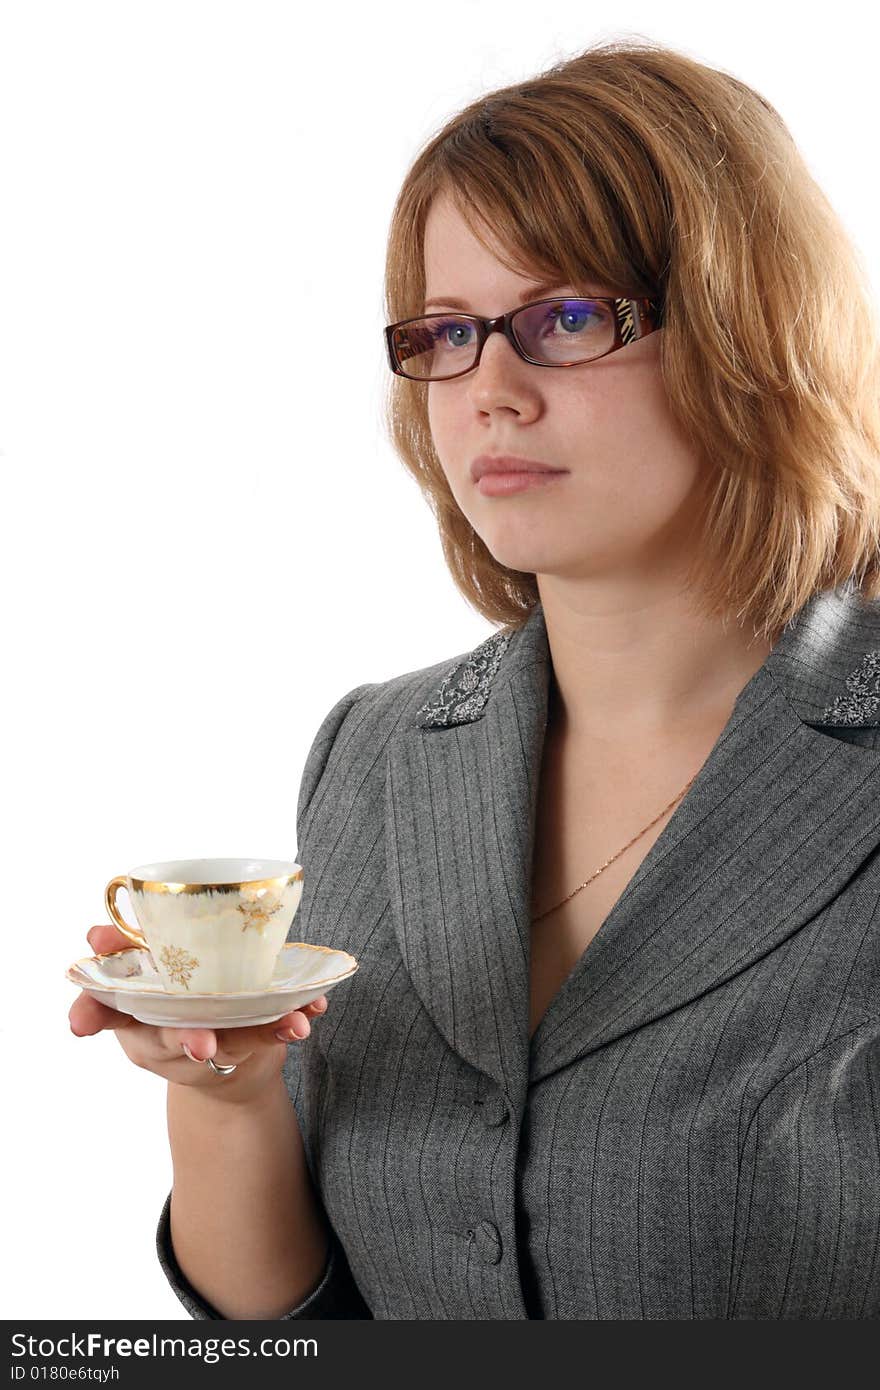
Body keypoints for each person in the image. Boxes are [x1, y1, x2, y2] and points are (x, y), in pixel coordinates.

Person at [69, 37, 880, 1319]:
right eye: (447, 332)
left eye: (564, 318)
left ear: (748, 331)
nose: (488, 390)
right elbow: (300, 1329)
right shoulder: (375, 751)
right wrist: (220, 1089)